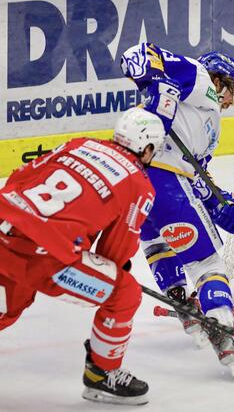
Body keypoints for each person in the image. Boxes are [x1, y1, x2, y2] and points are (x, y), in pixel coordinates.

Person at [0, 107, 165, 405]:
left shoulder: (79, 143)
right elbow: (114, 253)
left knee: (9, 309)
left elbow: (19, 177)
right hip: (44, 256)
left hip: (4, 224)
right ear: (148, 147)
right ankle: (102, 375)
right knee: (124, 292)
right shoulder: (140, 184)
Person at [120, 43, 234, 380]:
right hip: (164, 182)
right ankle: (225, 332)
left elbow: (198, 179)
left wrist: (221, 204)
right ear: (219, 78)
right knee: (206, 262)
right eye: (232, 88)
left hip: (137, 183)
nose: (231, 100)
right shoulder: (198, 76)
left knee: (161, 241)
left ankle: (183, 304)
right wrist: (156, 94)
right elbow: (139, 55)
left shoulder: (208, 128)